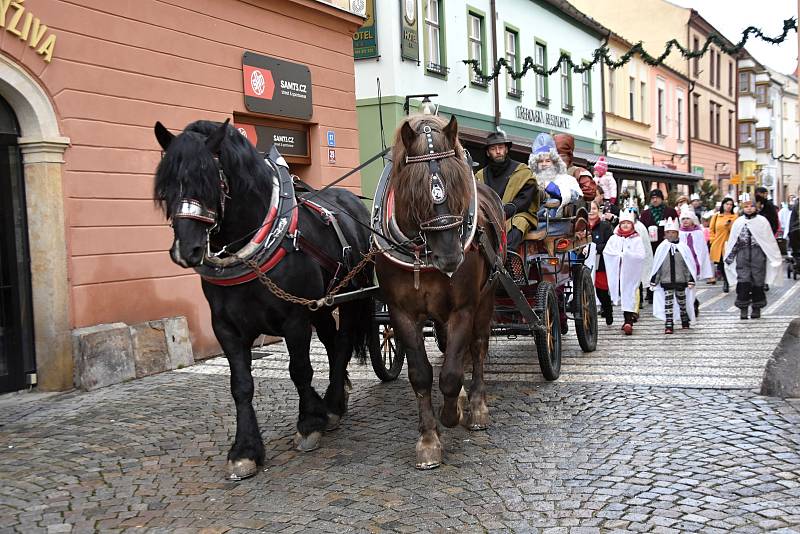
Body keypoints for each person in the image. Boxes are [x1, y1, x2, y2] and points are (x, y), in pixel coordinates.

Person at [475, 129, 539, 250]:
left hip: (515, 215)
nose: (498, 151)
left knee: (519, 222)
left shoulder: (522, 171)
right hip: (488, 218)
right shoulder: (480, 176)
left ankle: (508, 257)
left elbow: (525, 199)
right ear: (488, 153)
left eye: (501, 147)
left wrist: (505, 211)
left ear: (506, 149)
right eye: (493, 149)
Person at [724, 193, 783, 319]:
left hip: (758, 254)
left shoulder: (762, 221)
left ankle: (757, 307)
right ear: (742, 208)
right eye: (746, 206)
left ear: (756, 207)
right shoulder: (738, 222)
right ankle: (743, 308)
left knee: (758, 282)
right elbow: (734, 240)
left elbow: (768, 240)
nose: (749, 208)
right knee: (743, 282)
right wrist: (729, 258)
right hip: (742, 254)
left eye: (751, 206)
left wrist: (774, 257)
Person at [603, 210, 647, 335]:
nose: (626, 225)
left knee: (629, 294)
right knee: (621, 294)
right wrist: (618, 256)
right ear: (620, 225)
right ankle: (625, 319)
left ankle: (628, 321)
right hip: (617, 271)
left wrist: (627, 255)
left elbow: (640, 255)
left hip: (630, 273)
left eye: (628, 223)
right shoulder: (614, 238)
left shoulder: (636, 239)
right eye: (623, 223)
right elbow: (608, 252)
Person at [649, 217, 697, 334]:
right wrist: (654, 279)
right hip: (666, 281)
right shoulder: (662, 248)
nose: (671, 235)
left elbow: (688, 264)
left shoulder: (683, 248)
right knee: (668, 303)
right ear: (665, 234)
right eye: (668, 233)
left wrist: (690, 279)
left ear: (677, 233)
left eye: (673, 232)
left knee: (682, 301)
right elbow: (658, 265)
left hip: (681, 281)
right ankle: (669, 322)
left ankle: (684, 318)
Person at [528, 133, 583, 222]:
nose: (544, 164)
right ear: (535, 164)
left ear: (554, 162)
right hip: (531, 221)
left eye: (548, 161)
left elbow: (577, 197)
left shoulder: (567, 179)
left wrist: (555, 189)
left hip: (556, 224)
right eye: (540, 161)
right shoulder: (530, 179)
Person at [678, 205, 715, 316]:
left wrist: (701, 264)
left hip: (694, 263)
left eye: (687, 218)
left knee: (691, 284)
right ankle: (687, 304)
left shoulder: (698, 232)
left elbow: (702, 250)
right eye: (683, 219)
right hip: (682, 264)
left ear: (693, 220)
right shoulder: (679, 233)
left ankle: (693, 304)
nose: (685, 221)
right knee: (683, 285)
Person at [586, 199, 615, 324]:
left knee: (601, 291)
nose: (591, 211)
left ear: (598, 210)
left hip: (601, 263)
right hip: (585, 262)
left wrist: (594, 248)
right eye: (589, 209)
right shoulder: (581, 225)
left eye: (594, 209)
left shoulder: (605, 226)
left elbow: (610, 244)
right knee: (586, 291)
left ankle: (608, 311)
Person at [553, 133, 597, 202]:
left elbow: (590, 192)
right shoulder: (548, 172)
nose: (558, 160)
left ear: (569, 156)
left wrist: (571, 193)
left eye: (562, 156)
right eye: (555, 157)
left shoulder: (579, 172)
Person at [708, 197, 737, 292]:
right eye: (727, 204)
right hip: (718, 244)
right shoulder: (716, 216)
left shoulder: (735, 217)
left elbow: (736, 231)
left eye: (730, 205)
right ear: (723, 205)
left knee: (728, 263)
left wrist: (729, 226)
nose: (728, 206)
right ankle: (726, 280)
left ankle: (728, 281)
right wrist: (712, 240)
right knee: (720, 264)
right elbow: (711, 230)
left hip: (729, 243)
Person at [640, 189, 679, 253]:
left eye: (657, 197)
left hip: (667, 244)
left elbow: (677, 227)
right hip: (651, 246)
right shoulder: (645, 214)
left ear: (662, 199)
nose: (655, 200)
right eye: (653, 198)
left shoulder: (670, 211)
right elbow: (642, 230)